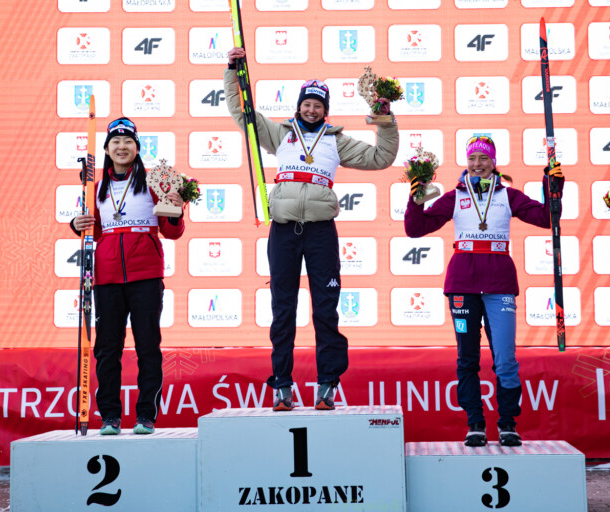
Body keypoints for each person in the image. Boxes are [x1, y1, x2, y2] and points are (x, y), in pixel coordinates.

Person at [224, 47, 399, 411]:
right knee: (282, 308)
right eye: (307, 104)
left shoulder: (337, 141)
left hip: (321, 231)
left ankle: (327, 385)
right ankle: (282, 387)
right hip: (284, 230)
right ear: (299, 106)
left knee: (325, 309)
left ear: (326, 110)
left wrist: (384, 118)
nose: (312, 110)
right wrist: (233, 70)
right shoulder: (279, 135)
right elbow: (244, 114)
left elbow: (382, 158)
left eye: (318, 105)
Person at [404, 136, 563, 446]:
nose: (477, 164)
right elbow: (415, 228)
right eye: (472, 158)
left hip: (499, 283)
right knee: (467, 358)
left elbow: (547, 218)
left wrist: (552, 186)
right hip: (462, 283)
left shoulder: (508, 195)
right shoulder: (454, 196)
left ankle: (507, 423)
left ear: (493, 161)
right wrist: (416, 198)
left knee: (505, 358)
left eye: (483, 158)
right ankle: (475, 422)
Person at [71, 118, 186, 435]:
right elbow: (91, 231)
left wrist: (177, 209)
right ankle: (109, 416)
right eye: (115, 143)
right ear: (107, 150)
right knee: (108, 350)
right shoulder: (95, 188)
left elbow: (171, 232)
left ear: (137, 148)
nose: (122, 147)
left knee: (148, 347)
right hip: (107, 277)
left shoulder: (155, 183)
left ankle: (146, 415)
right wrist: (78, 225)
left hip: (146, 275)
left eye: (128, 142)